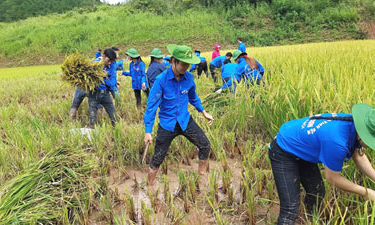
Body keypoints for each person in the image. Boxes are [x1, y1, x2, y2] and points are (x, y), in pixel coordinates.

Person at [269, 103, 375, 224]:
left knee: (317, 193)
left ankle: (308, 220)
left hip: (303, 148)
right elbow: (333, 178)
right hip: (284, 149)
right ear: (363, 133)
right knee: (290, 210)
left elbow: (359, 156)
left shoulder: (355, 125)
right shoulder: (337, 142)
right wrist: (365, 192)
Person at [144, 44, 214, 187]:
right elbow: (151, 107)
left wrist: (204, 112)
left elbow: (193, 98)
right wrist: (148, 131)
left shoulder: (188, 78)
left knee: (205, 145)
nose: (185, 68)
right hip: (167, 124)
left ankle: (202, 176)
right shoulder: (161, 80)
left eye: (188, 65)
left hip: (184, 120)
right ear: (173, 61)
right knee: (158, 157)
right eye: (183, 64)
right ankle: (149, 186)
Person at [87, 48, 117, 128]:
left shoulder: (112, 65)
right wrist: (105, 77)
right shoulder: (95, 65)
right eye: (108, 60)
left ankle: (117, 132)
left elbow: (112, 83)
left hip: (105, 94)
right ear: (103, 56)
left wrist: (102, 78)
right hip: (93, 94)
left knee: (114, 117)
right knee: (92, 119)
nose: (110, 62)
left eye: (111, 61)